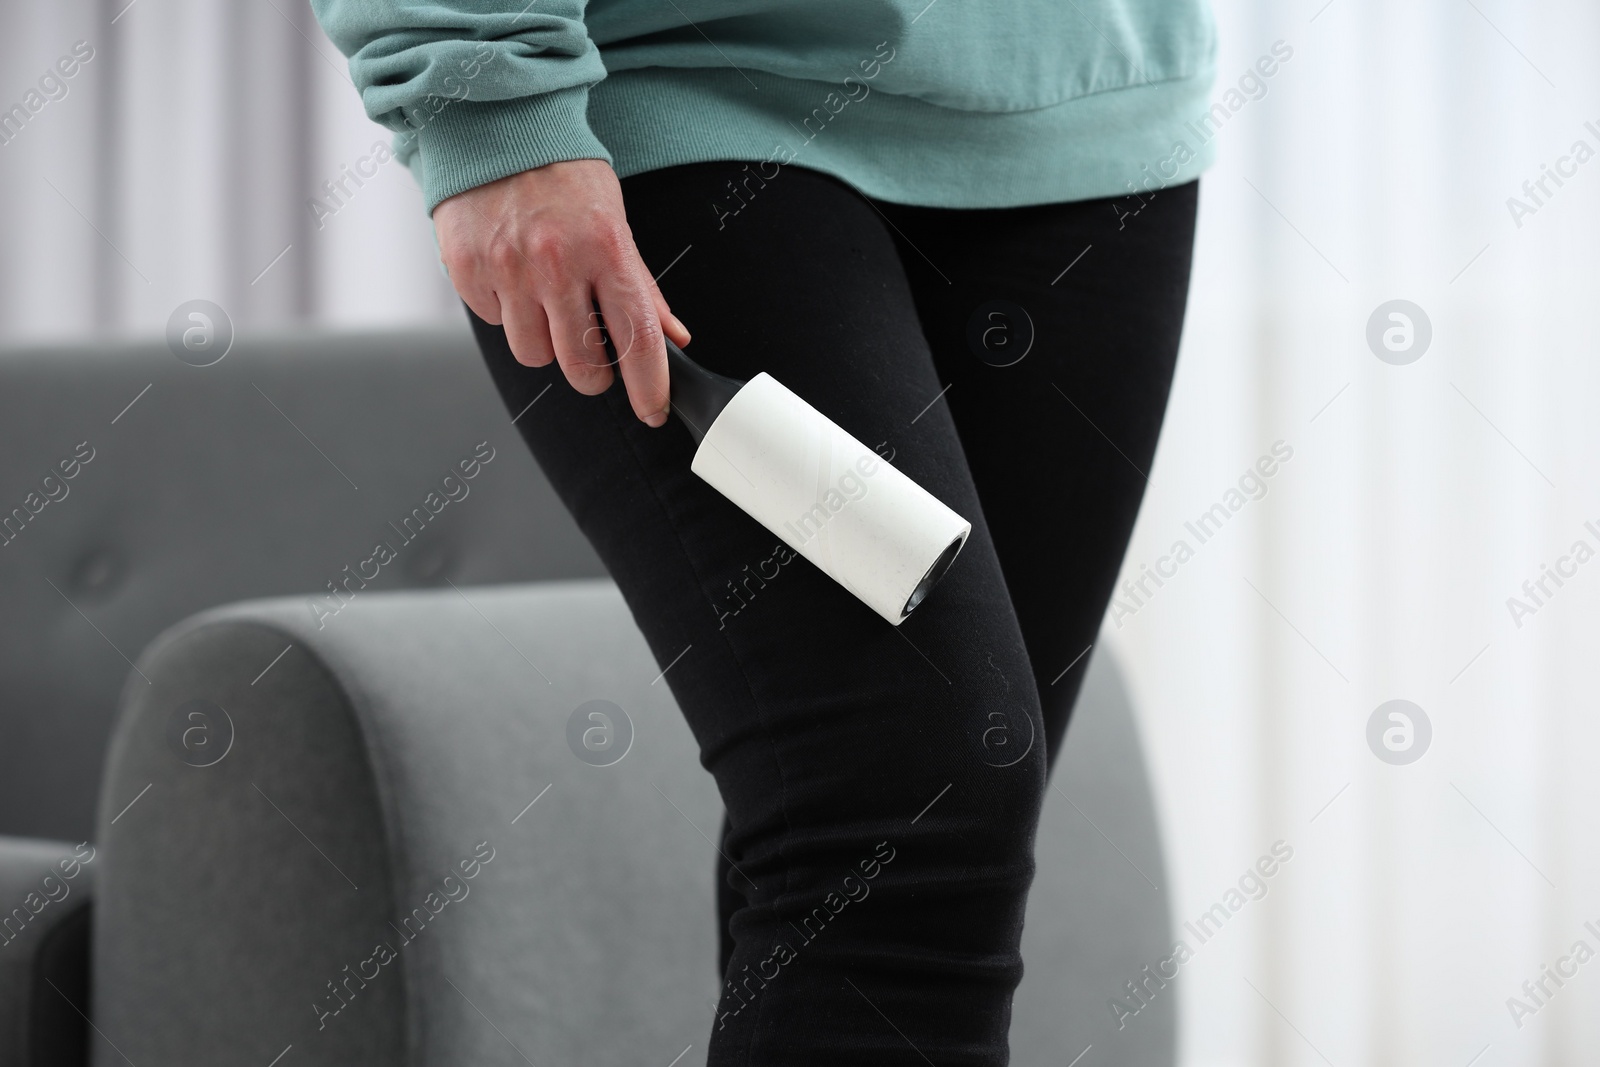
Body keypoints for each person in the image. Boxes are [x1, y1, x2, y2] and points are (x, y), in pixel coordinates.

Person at [312, 0, 1216, 1061]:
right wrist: (480, 89)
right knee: (901, 806)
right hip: (686, 88)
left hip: (1090, 111)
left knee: (892, 843)